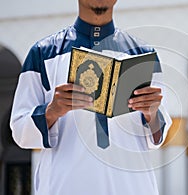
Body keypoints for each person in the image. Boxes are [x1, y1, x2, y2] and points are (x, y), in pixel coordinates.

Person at [10, 0, 171, 194]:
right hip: (65, 187)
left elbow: (159, 135)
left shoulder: (143, 55)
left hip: (132, 187)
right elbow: (19, 130)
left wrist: (151, 114)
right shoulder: (43, 53)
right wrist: (51, 112)